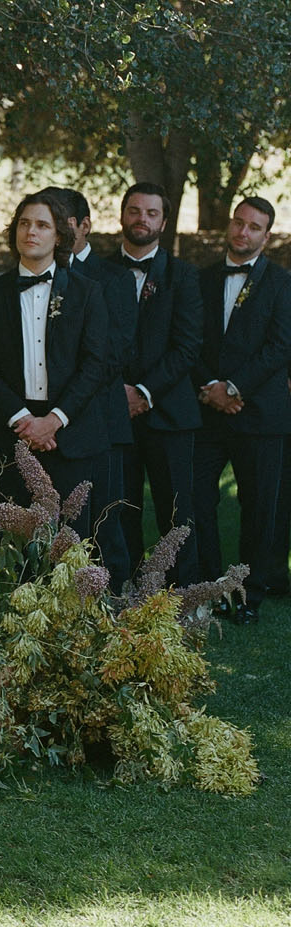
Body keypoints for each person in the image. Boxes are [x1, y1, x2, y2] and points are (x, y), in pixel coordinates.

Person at [0, 193, 110, 542]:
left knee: (70, 544)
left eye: (42, 225)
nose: (31, 231)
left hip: (68, 433)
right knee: (13, 545)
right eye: (24, 223)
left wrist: (54, 420)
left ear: (59, 236)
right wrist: (23, 420)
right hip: (10, 430)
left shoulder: (86, 292)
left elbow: (96, 364)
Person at [191, 195, 291, 620]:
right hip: (206, 411)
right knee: (197, 500)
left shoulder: (283, 283)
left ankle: (250, 591)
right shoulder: (202, 278)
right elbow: (189, 338)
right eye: (238, 223)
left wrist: (234, 387)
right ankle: (211, 585)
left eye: (253, 227)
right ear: (230, 225)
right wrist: (209, 388)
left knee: (257, 506)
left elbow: (280, 346)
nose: (243, 232)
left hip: (260, 414)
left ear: (266, 237)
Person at [42, 187, 136, 588]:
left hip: (97, 417)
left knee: (103, 522)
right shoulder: (33, 274)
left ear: (84, 226)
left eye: (63, 223)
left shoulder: (114, 279)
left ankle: (114, 605)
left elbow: (114, 355)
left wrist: (63, 404)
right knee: (45, 518)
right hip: (40, 423)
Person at [114, 182, 203, 584]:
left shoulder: (184, 276)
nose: (142, 220)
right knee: (118, 506)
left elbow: (187, 348)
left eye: (151, 214)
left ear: (164, 222)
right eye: (135, 211)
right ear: (122, 215)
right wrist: (119, 393)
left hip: (169, 413)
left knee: (177, 511)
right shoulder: (97, 274)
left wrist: (144, 393)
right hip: (114, 413)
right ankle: (125, 589)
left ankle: (181, 596)